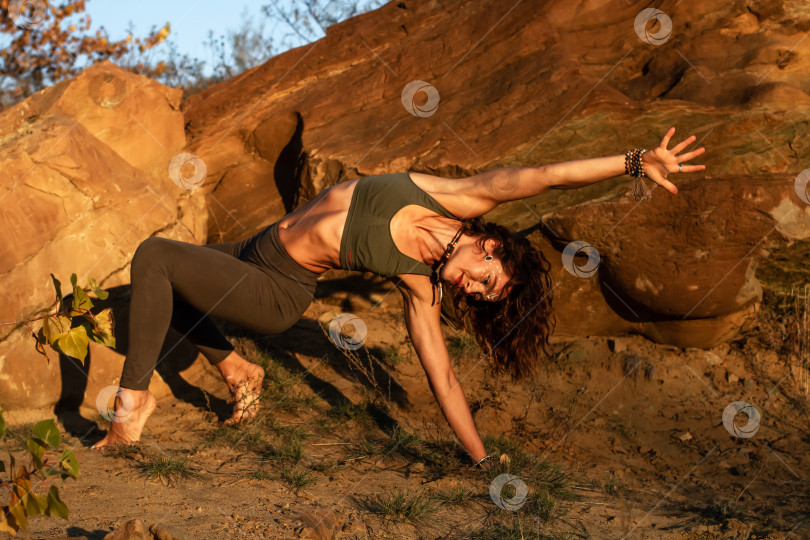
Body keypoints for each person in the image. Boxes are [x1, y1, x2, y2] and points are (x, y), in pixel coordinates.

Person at [92, 127, 705, 467]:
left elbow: (443, 378)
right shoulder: (461, 197)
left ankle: (131, 407)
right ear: (490, 248)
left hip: (278, 291)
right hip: (254, 249)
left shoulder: (421, 287)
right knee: (161, 283)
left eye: (480, 298)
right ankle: (238, 368)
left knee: (153, 256)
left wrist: (482, 460)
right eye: (485, 281)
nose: (471, 289)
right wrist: (634, 161)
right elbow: (547, 175)